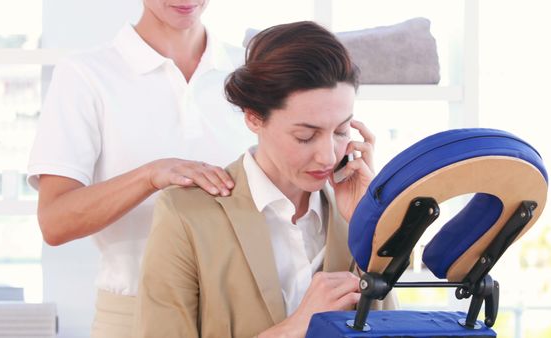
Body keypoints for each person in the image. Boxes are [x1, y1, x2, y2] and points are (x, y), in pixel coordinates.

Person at [135, 21, 397, 338]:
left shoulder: (352, 216)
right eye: (305, 135)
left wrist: (368, 227)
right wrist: (295, 328)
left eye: (341, 131)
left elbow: (388, 327)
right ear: (254, 118)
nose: (328, 156)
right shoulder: (186, 215)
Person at [27, 0, 254, 336]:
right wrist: (150, 176)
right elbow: (55, 222)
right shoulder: (86, 75)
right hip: (134, 319)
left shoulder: (253, 70)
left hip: (247, 316)